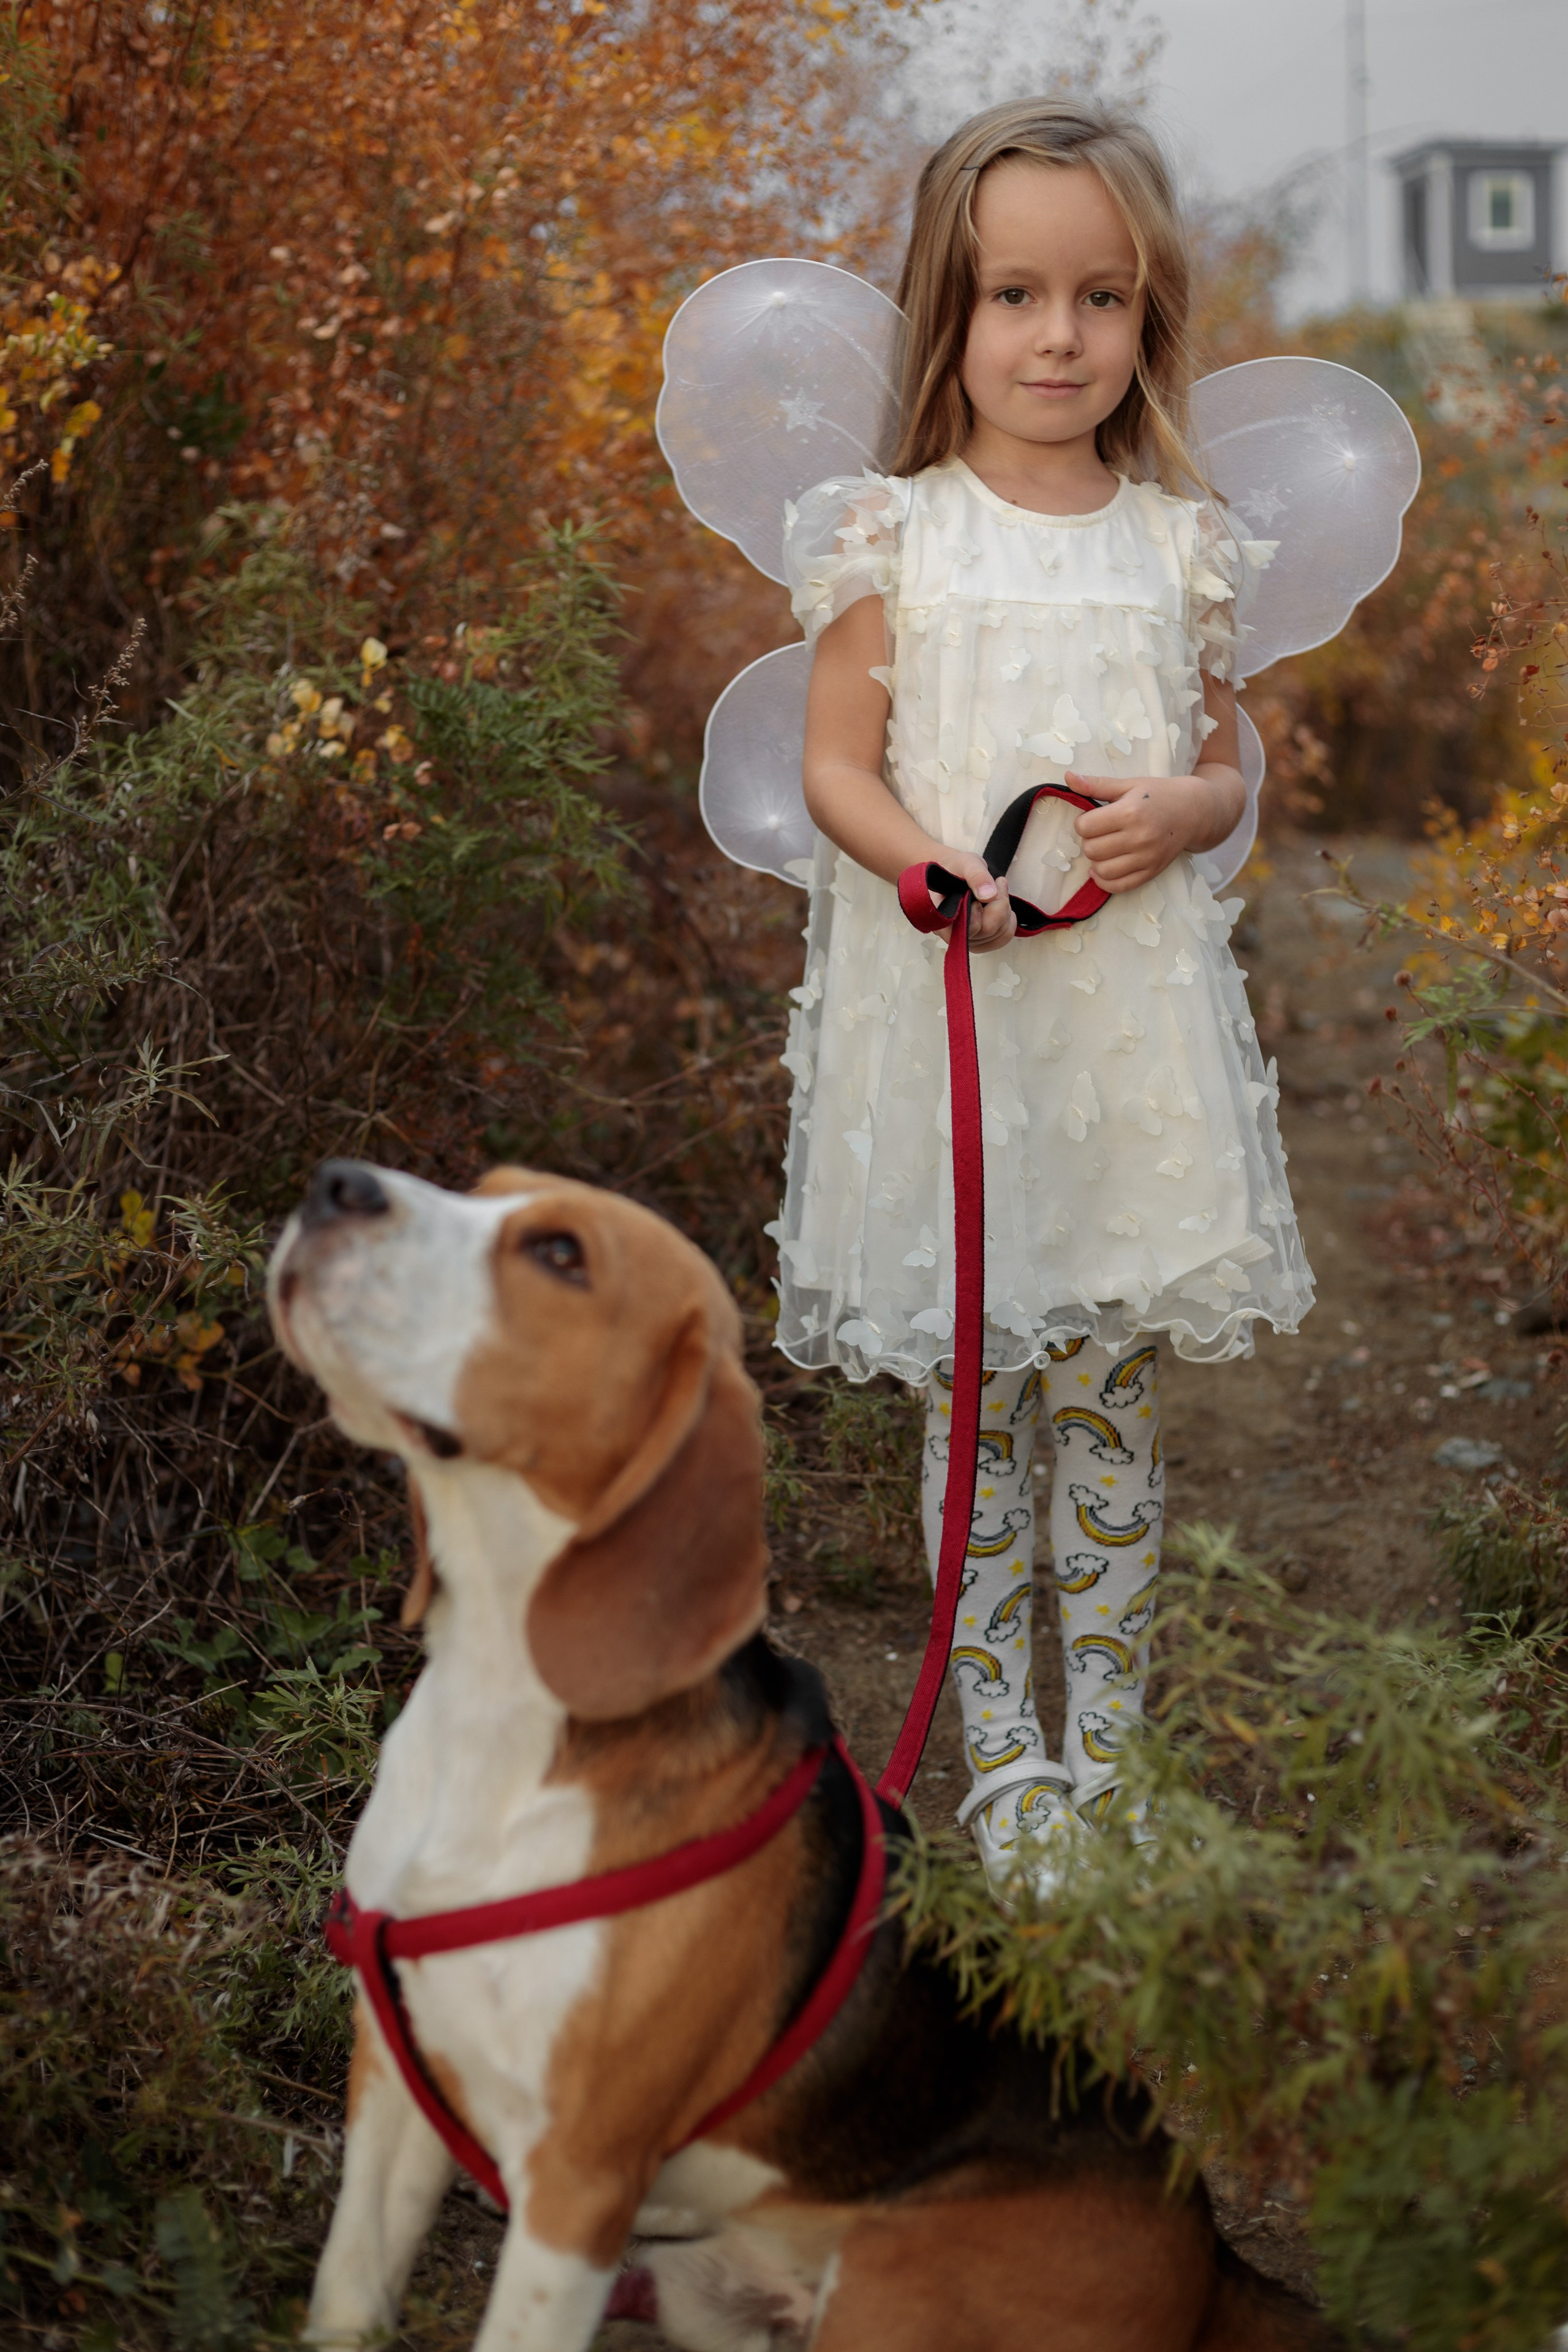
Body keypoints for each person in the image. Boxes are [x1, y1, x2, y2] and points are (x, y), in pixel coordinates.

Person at [772, 97, 1314, 1902]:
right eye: (1017, 294)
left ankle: (1115, 1758)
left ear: (1147, 316)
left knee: (1106, 1401)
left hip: (1117, 1036)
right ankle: (1003, 1754)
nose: (1059, 336)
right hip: (954, 1017)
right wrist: (924, 862)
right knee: (978, 1403)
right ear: (955, 311)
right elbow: (837, 764)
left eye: (1100, 297)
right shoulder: (891, 536)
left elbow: (1230, 751)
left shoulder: (1179, 544)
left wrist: (1201, 804)